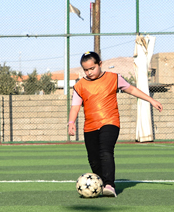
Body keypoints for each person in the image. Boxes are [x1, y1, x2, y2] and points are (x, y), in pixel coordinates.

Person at [67, 51, 162, 197]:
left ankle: (110, 185)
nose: (89, 72)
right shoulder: (80, 86)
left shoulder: (113, 78)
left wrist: (151, 100)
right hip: (90, 126)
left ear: (100, 64)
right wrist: (71, 122)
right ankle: (100, 183)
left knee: (105, 150)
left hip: (110, 122)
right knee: (93, 158)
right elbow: (75, 106)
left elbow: (131, 89)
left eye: (92, 68)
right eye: (86, 70)